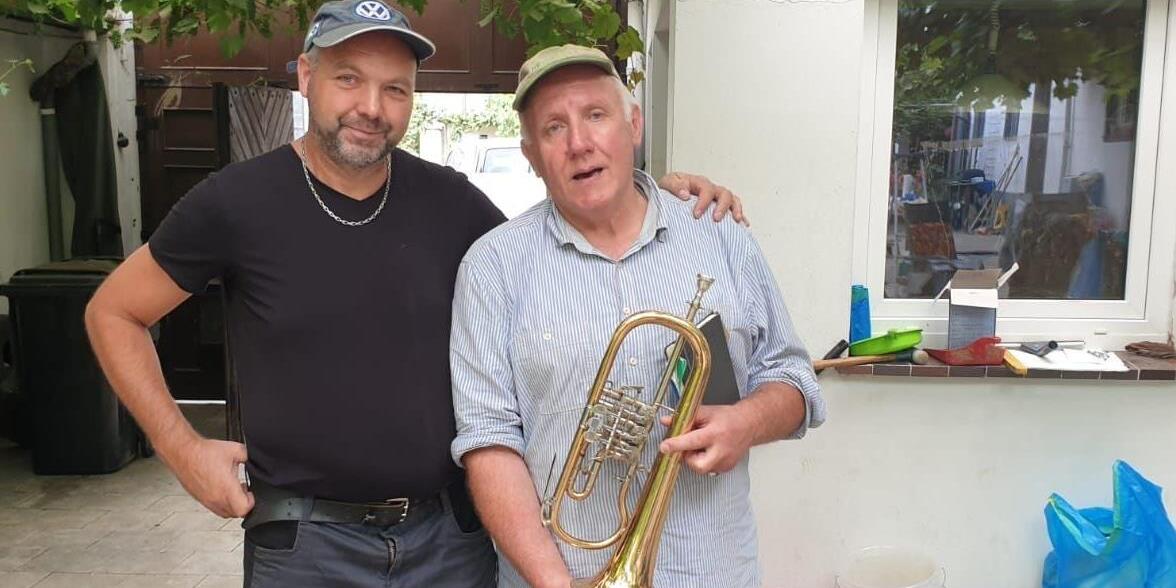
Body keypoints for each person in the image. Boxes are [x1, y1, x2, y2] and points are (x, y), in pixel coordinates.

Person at [84, 3, 747, 586]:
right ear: (307, 77)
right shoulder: (235, 203)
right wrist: (182, 450)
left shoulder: (451, 202)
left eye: (394, 89)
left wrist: (654, 191)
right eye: (349, 79)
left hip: (449, 544)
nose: (371, 107)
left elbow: (563, 234)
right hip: (306, 546)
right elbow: (114, 312)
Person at [450, 45, 827, 587]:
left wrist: (746, 422)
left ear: (633, 126)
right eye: (554, 128)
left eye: (596, 116)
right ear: (531, 155)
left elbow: (792, 379)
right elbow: (488, 441)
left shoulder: (719, 234)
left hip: (710, 571)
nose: (580, 144)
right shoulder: (493, 267)